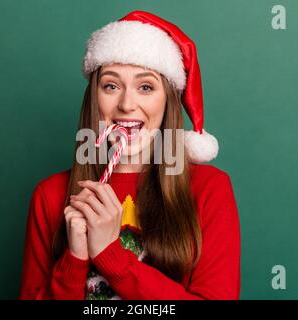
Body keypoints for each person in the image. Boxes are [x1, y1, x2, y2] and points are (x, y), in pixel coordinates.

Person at [19, 10, 240, 300]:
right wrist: (74, 259)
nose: (126, 104)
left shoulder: (209, 189)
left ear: (168, 100)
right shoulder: (50, 195)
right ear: (94, 97)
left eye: (145, 87)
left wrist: (111, 256)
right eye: (111, 85)